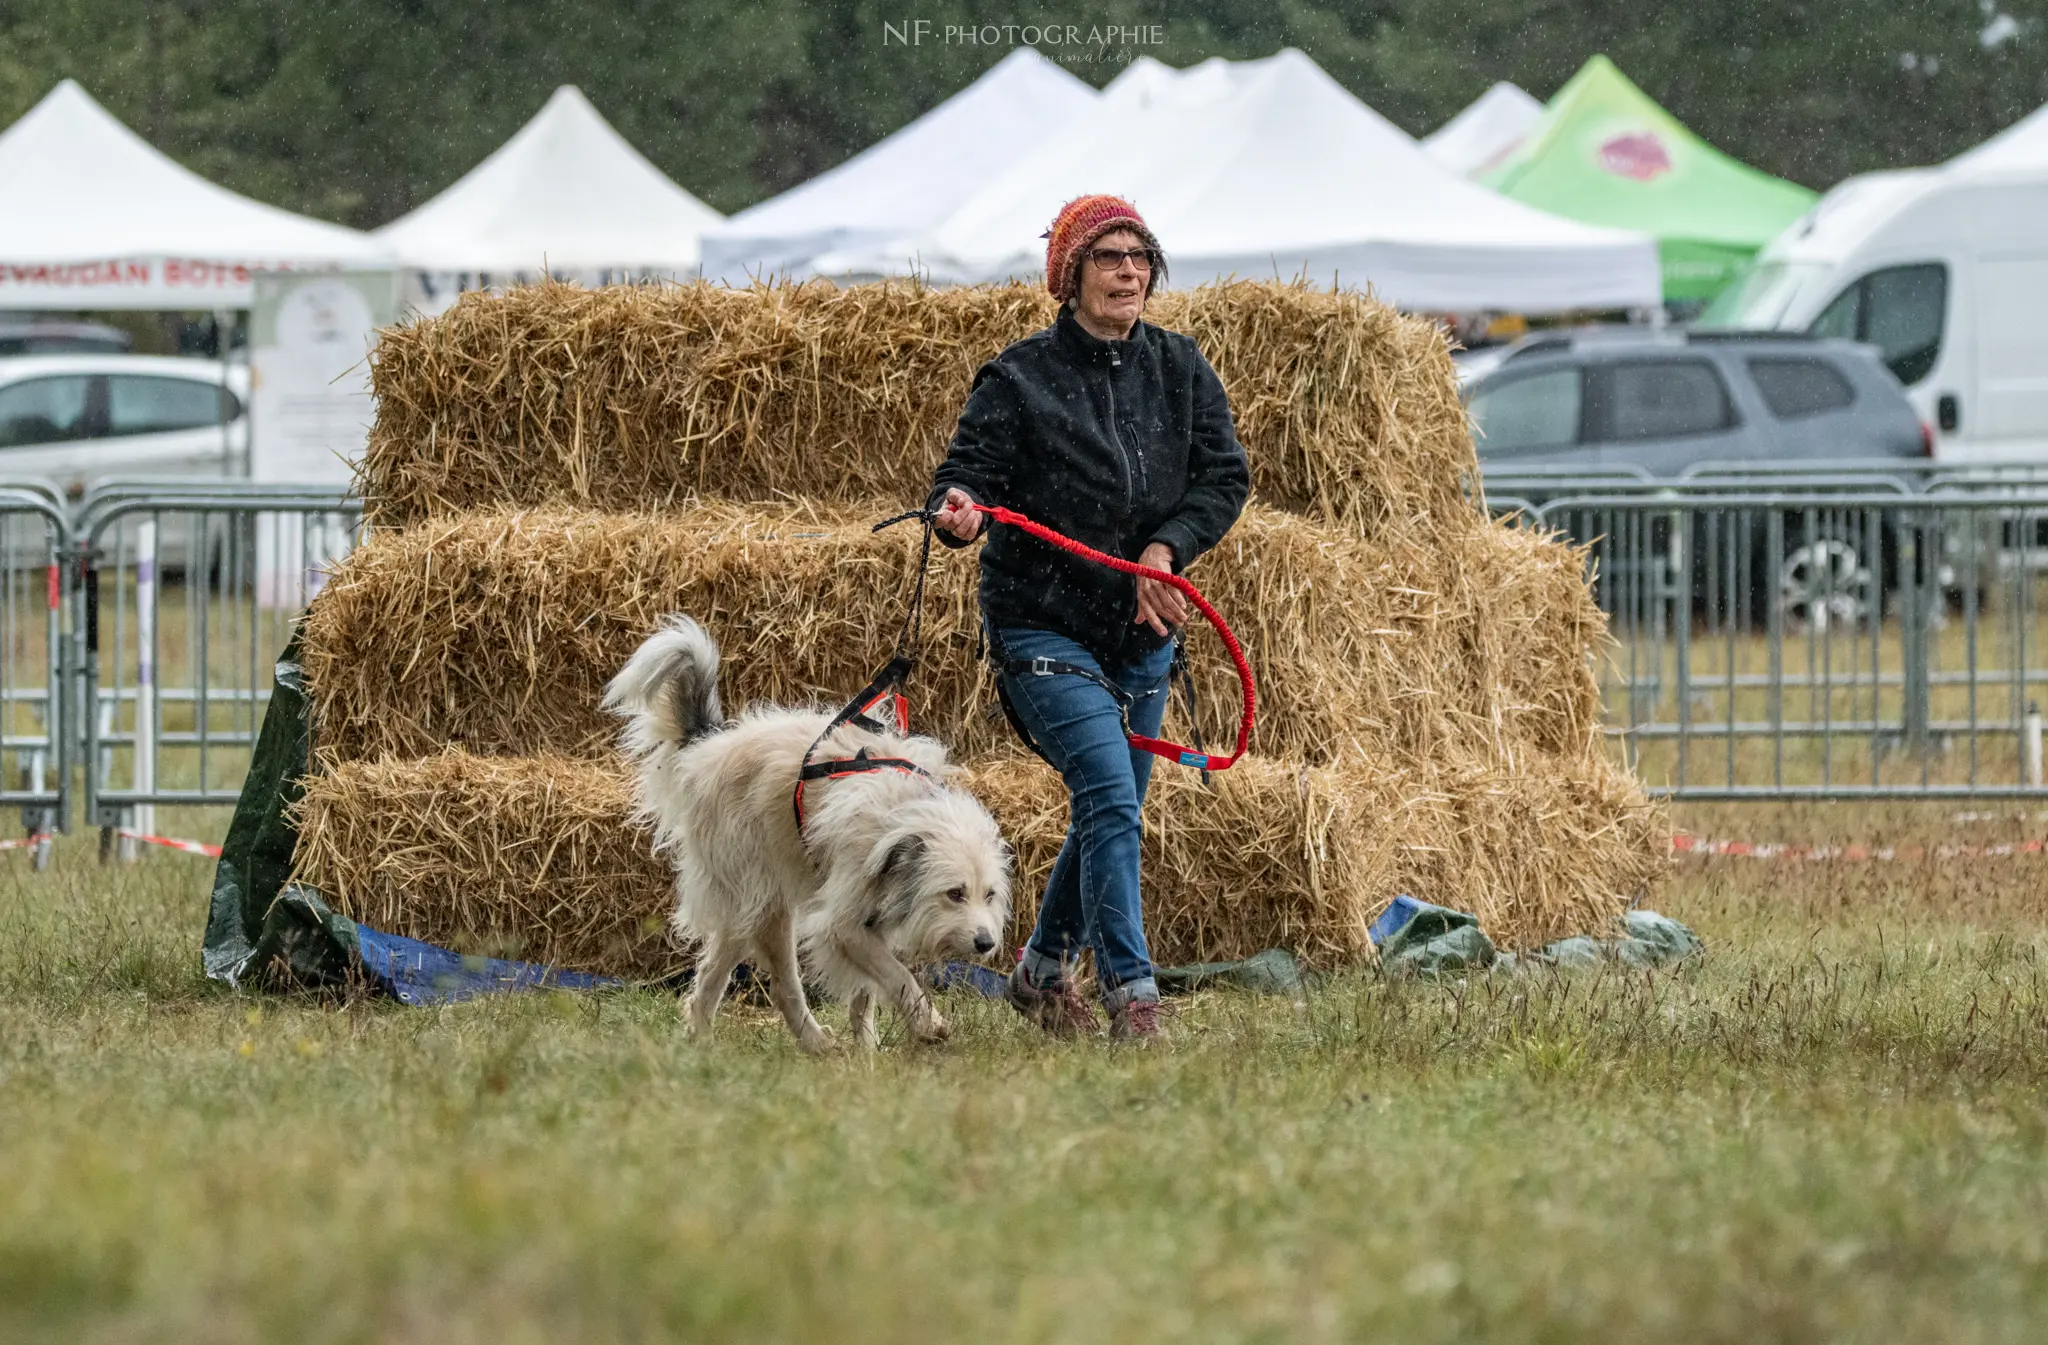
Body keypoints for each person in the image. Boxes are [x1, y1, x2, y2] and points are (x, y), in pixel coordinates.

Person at [926, 195, 1250, 1042]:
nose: (1129, 272)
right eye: (1108, 257)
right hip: (1042, 628)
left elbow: (1226, 477)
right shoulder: (1018, 377)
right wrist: (957, 512)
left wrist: (1166, 549)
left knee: (1105, 806)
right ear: (1069, 274)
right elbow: (966, 478)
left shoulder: (1181, 367)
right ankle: (1133, 994)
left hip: (1143, 637)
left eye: (1140, 256)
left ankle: (1038, 973)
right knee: (1111, 793)